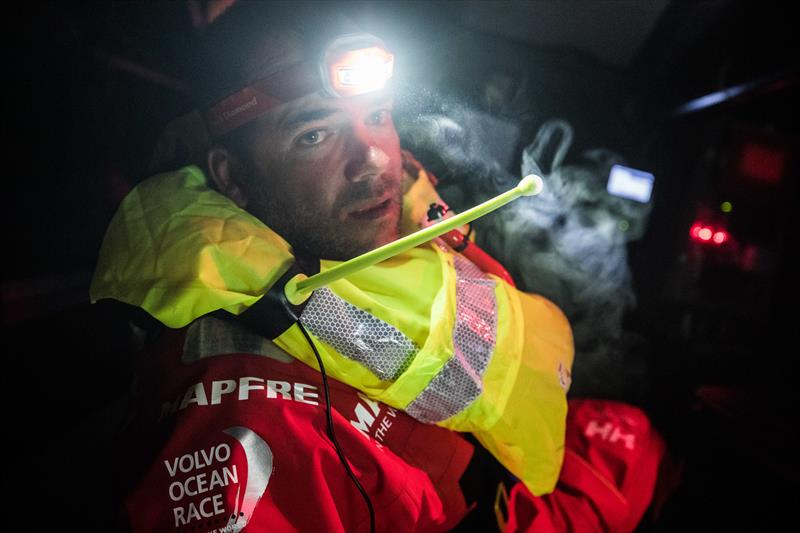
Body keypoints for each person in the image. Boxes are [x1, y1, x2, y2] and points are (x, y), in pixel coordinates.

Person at [92, 2, 668, 531]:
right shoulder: (244, 422)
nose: (372, 158)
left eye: (376, 115)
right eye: (314, 134)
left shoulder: (392, 227)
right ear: (232, 177)